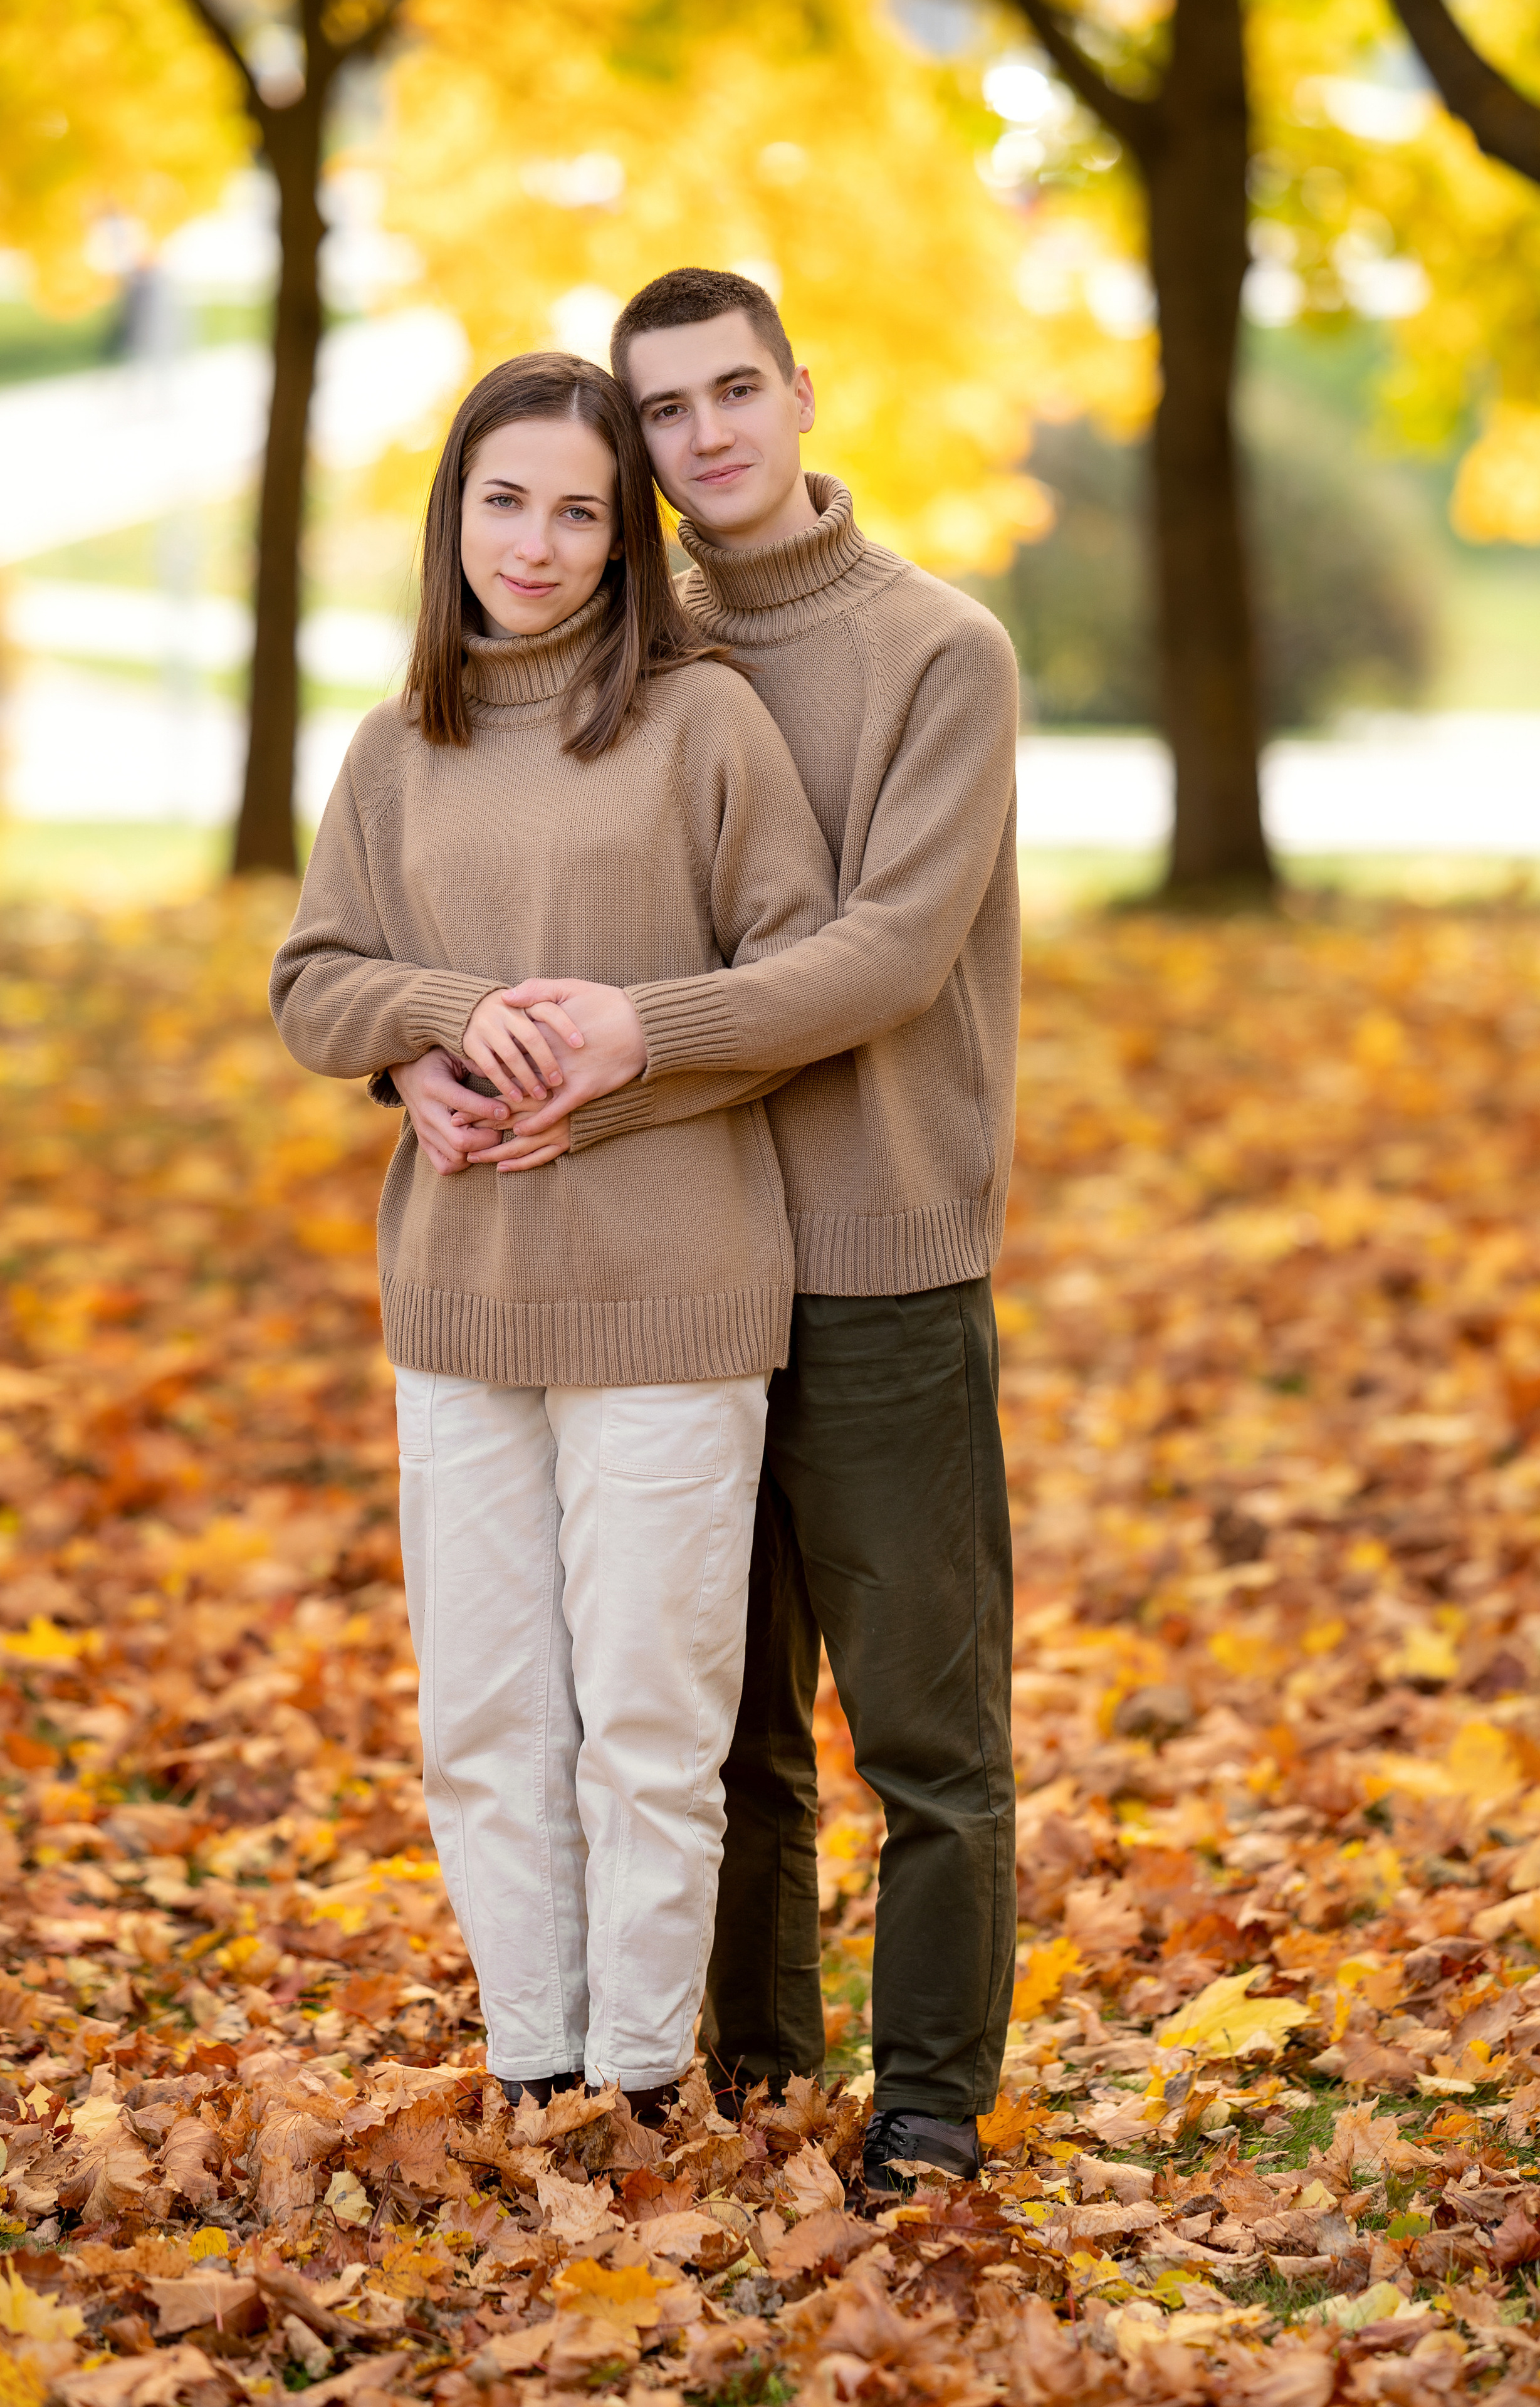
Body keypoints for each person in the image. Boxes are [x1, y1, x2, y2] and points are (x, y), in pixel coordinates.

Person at [387, 270, 1021, 2193]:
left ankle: (928, 2102)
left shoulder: (939, 652)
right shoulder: (613, 654)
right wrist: (417, 1054)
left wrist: (624, 1042)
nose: (706, 435)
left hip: (878, 1244)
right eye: (663, 410)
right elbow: (480, 916)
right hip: (668, 1259)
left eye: (735, 390)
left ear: (801, 393)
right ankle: (748, 2074)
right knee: (712, 1726)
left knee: (923, 1731)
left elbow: (884, 956)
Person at [270, 349, 840, 2125]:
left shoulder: (704, 723)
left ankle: (639, 2086)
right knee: (487, 1720)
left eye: (580, 512)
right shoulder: (396, 747)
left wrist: (610, 1070)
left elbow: (798, 983)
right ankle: (534, 2069)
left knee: (653, 1727)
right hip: (462, 1298)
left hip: (671, 1290)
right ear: (455, 511)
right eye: (504, 500)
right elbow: (315, 979)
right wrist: (425, 1034)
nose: (535, 543)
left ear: (625, 538)